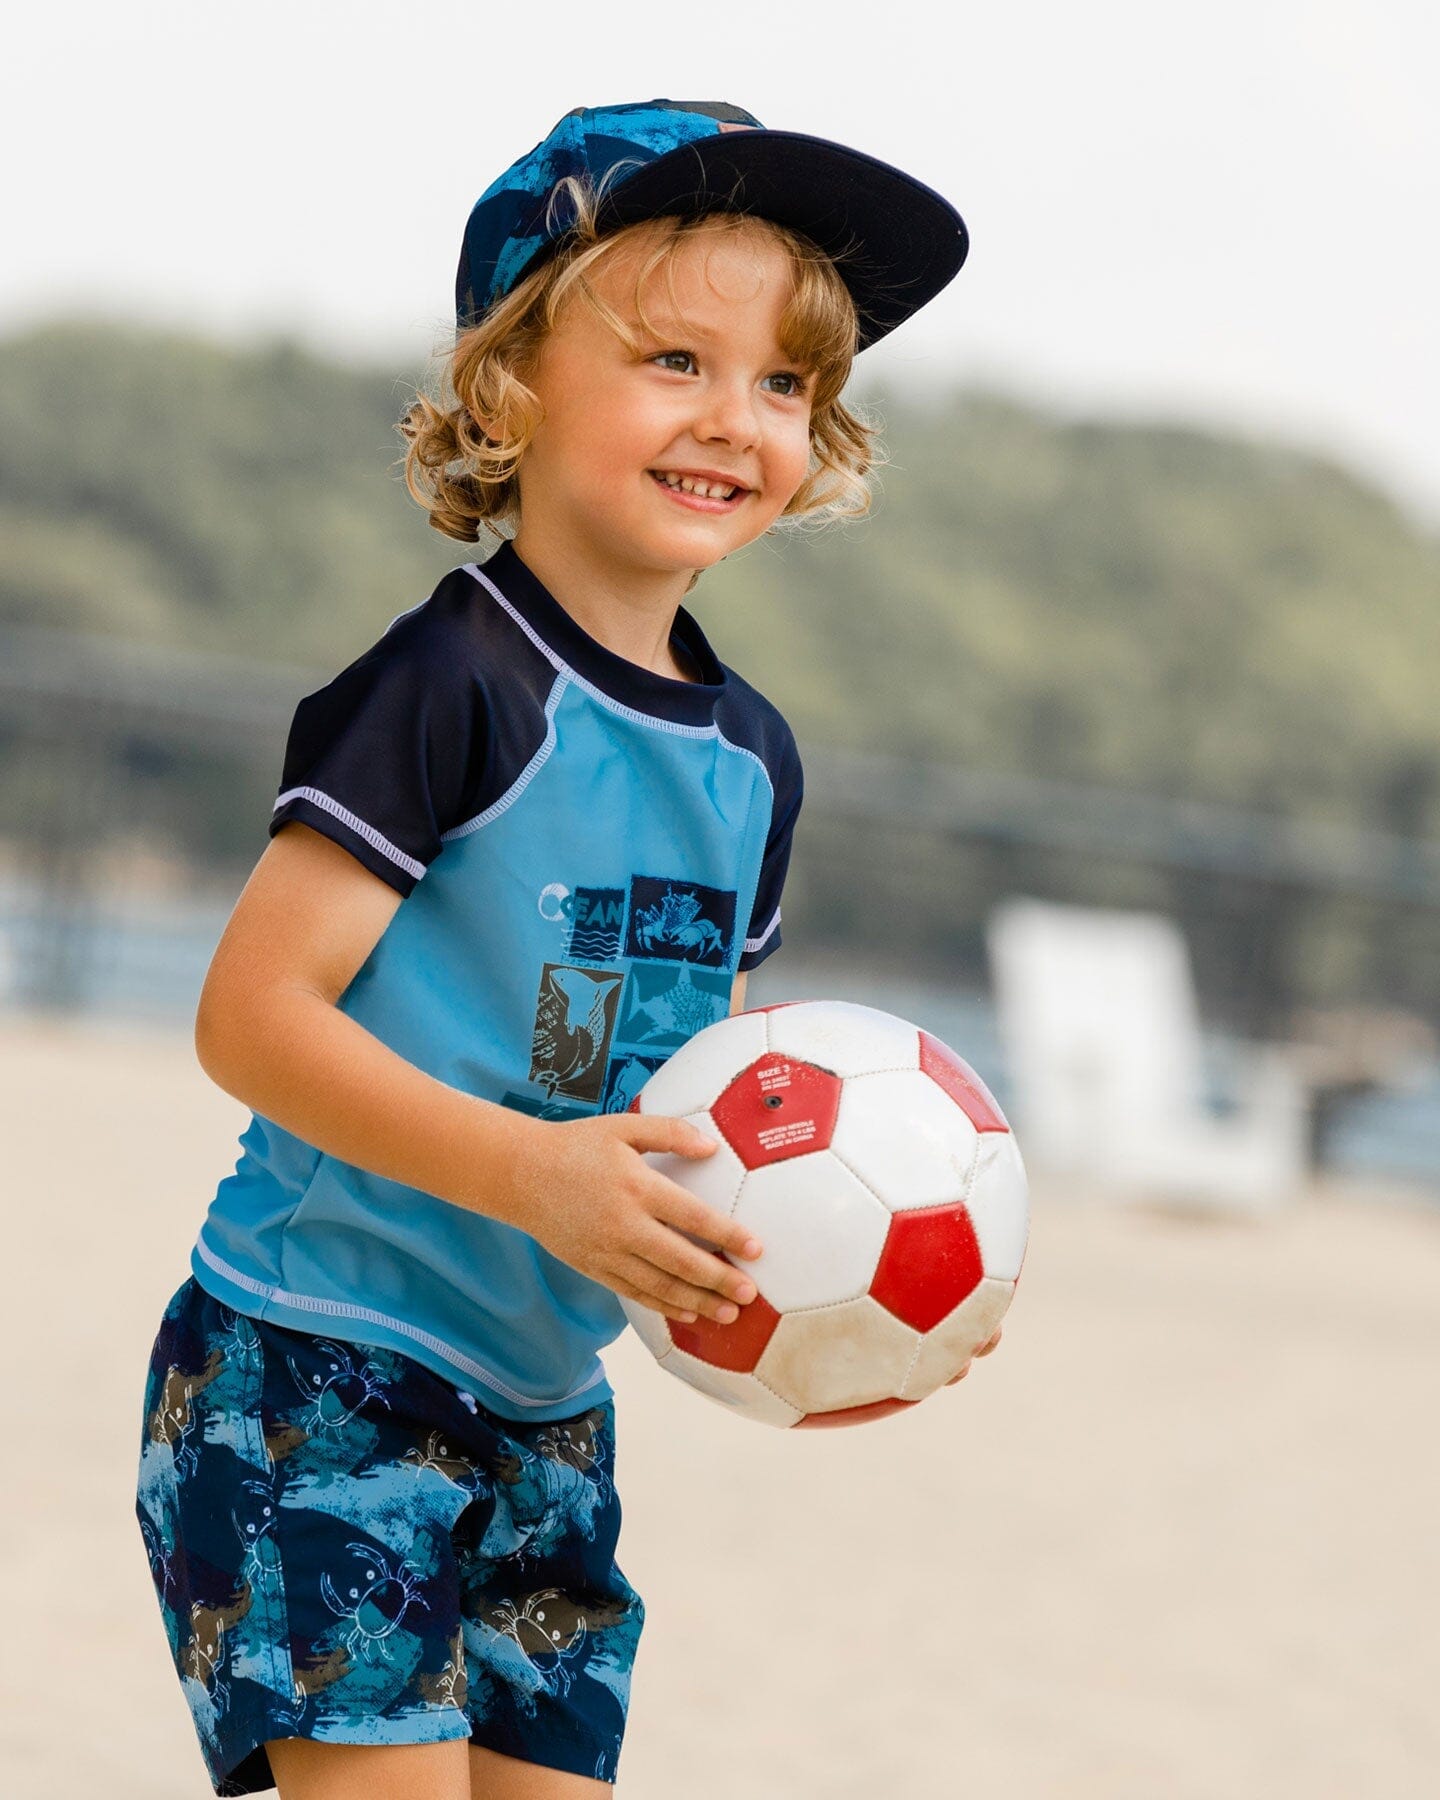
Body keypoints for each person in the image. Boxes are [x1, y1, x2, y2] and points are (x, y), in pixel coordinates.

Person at [134, 99, 983, 1800]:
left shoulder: (751, 765)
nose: (734, 419)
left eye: (786, 383)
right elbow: (249, 1017)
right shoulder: (446, 691)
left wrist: (800, 1215)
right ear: (513, 382)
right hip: (316, 1363)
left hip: (546, 1419)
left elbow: (694, 1087)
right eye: (675, 357)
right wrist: (534, 1175)